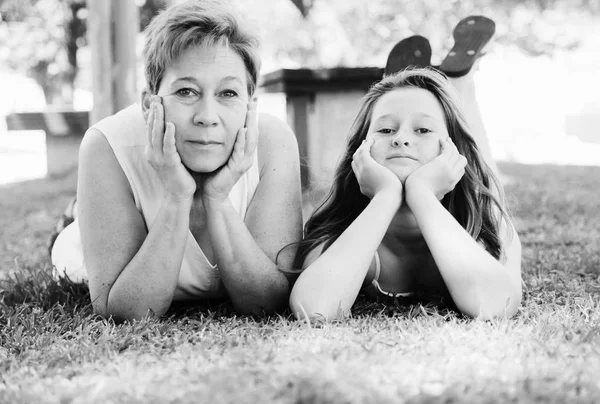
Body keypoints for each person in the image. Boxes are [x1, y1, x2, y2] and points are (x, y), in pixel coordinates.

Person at [50, 0, 303, 321]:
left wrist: (217, 197)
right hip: (84, 233)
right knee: (75, 231)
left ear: (251, 106)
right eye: (186, 91)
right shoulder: (106, 144)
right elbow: (126, 312)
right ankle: (75, 212)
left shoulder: (272, 142)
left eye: (228, 93)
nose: (207, 117)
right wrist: (177, 197)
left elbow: (268, 303)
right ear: (149, 104)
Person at [289, 67, 522, 321]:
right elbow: (312, 309)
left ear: (453, 150)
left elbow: (496, 305)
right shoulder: (342, 228)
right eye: (386, 130)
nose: (401, 139)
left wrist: (422, 194)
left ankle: (462, 78)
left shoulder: (485, 222)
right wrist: (385, 196)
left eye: (423, 130)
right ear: (360, 150)